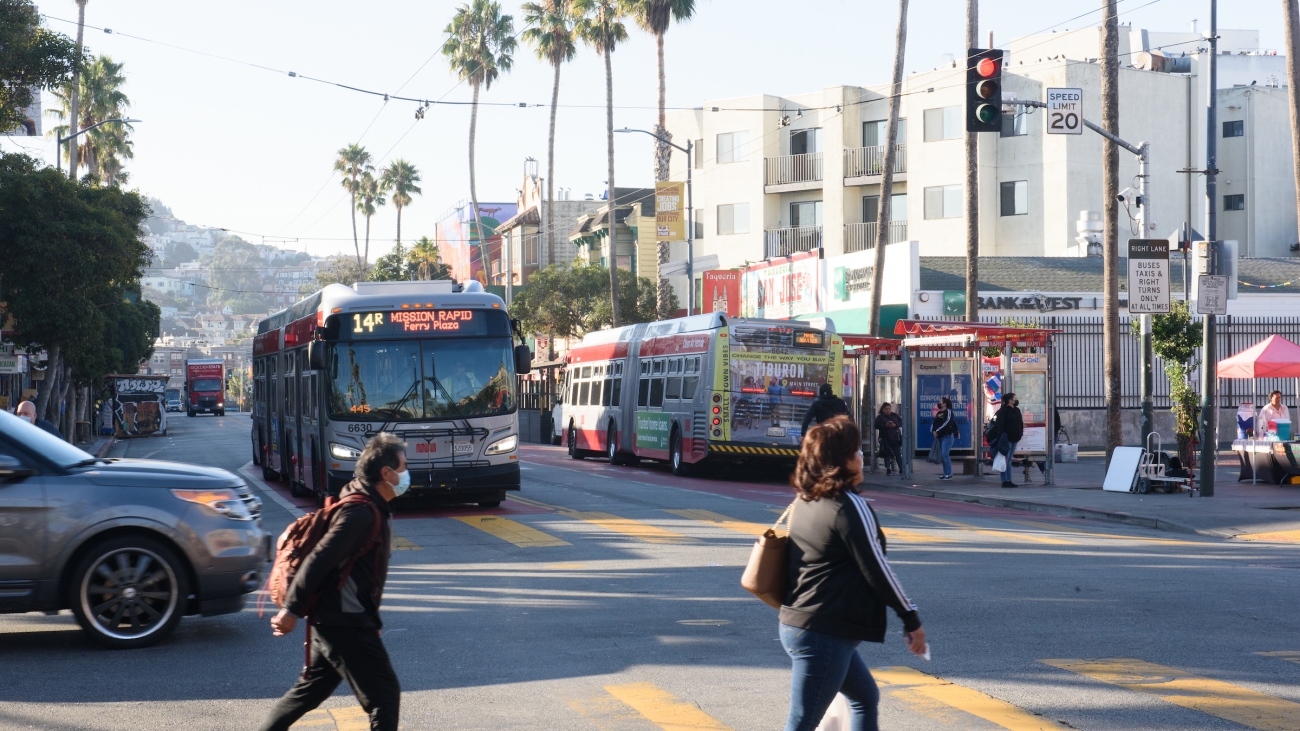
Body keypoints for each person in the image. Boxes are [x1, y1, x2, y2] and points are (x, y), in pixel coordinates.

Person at [780, 416, 927, 731]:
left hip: (802, 624)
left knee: (864, 696)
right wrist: (910, 617)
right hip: (825, 631)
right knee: (802, 722)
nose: (862, 457)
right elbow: (877, 568)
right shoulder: (847, 506)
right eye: (856, 451)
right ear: (841, 461)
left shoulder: (806, 500)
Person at [259, 432, 405, 731]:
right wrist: (291, 610)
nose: (406, 474)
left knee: (307, 693)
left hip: (334, 619)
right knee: (385, 698)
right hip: (346, 622)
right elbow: (319, 559)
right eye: (403, 468)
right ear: (386, 473)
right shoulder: (360, 512)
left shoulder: (369, 503)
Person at [989, 393, 1024, 488]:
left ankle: (1008, 479)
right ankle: (1005, 480)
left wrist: (1020, 433)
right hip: (1006, 438)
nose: (1016, 400)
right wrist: (1001, 436)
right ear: (1010, 400)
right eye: (1014, 399)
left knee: (1009, 459)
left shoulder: (1017, 410)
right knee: (1006, 459)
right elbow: (999, 425)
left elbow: (1020, 423)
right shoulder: (1003, 411)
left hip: (1015, 437)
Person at [931, 397, 958, 480]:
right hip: (940, 437)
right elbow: (934, 423)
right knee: (943, 455)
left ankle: (949, 474)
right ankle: (945, 473)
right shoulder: (939, 413)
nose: (939, 402)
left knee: (945, 454)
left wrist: (937, 431)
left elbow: (947, 423)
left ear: (944, 404)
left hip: (947, 436)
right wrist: (933, 431)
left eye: (941, 401)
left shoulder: (949, 412)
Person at [874, 403, 903, 475]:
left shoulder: (895, 415)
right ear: (882, 410)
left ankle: (901, 468)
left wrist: (895, 425)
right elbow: (876, 425)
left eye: (889, 409)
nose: (888, 410)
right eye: (886, 409)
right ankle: (888, 468)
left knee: (898, 453)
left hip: (895, 438)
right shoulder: (880, 417)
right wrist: (885, 425)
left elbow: (901, 422)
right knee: (886, 454)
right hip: (885, 438)